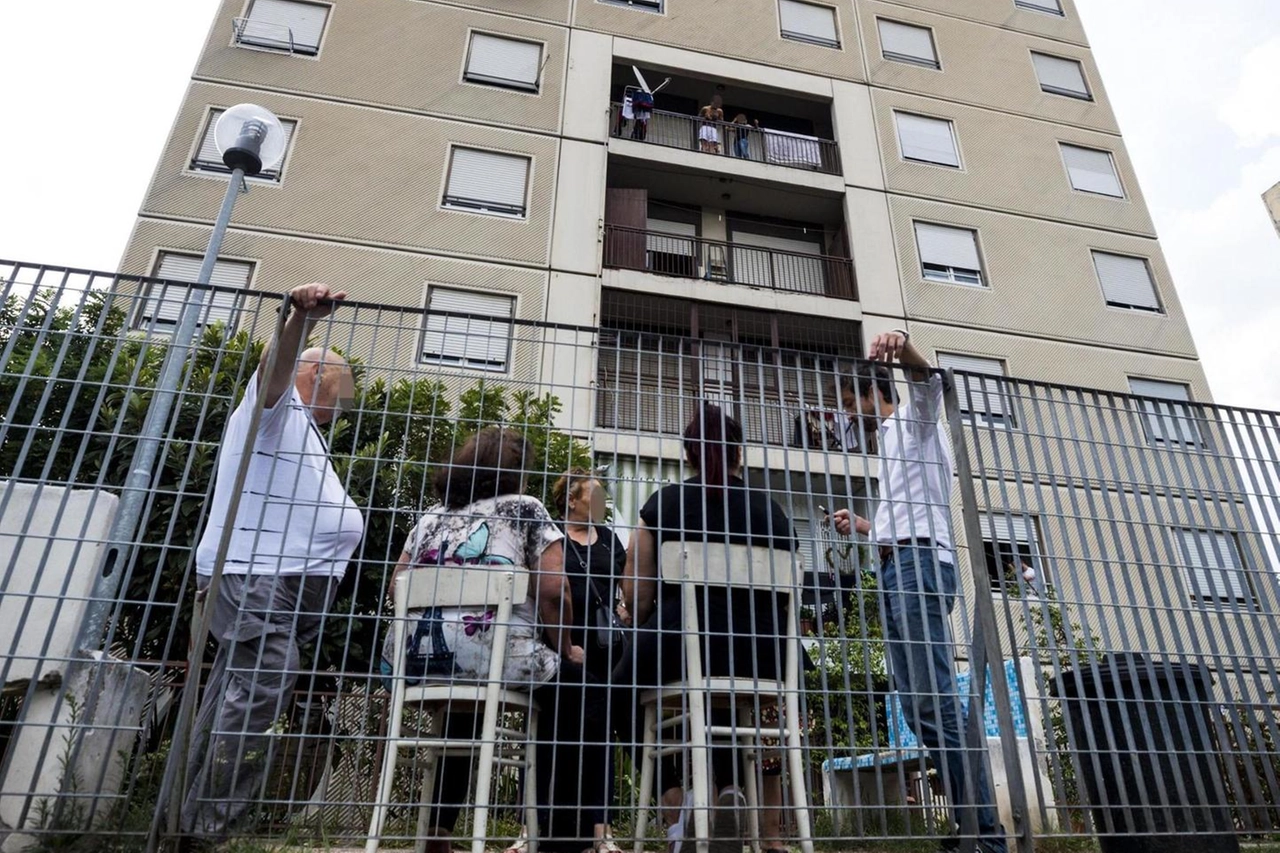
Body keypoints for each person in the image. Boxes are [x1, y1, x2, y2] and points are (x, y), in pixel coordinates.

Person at [181, 283, 364, 844]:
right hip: (254, 573)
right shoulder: (274, 413)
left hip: (281, 583)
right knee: (262, 685)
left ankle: (186, 823)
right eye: (347, 387)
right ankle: (213, 831)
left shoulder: (306, 435)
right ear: (317, 379)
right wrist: (300, 324)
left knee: (237, 692)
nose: (351, 401)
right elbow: (274, 373)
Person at [381, 427, 615, 853]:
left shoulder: (431, 519)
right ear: (514, 473)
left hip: (413, 660)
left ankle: (437, 832)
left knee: (464, 711)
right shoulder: (524, 508)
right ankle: (559, 837)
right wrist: (565, 648)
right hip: (493, 652)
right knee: (582, 688)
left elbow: (397, 587)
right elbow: (554, 592)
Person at [831, 331, 1008, 853]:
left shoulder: (912, 423)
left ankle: (984, 835)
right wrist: (866, 527)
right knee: (918, 709)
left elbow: (930, 384)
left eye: (848, 405)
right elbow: (909, 510)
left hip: (919, 565)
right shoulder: (889, 447)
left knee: (936, 702)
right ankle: (971, 828)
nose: (846, 418)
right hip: (896, 563)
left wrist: (902, 345)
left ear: (872, 392)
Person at [615, 404, 796, 853]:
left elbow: (635, 594)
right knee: (737, 704)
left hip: (682, 647)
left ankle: (678, 808)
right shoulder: (771, 511)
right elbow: (790, 594)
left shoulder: (664, 503)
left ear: (689, 455)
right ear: (739, 454)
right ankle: (741, 802)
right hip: (764, 656)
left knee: (616, 694)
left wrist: (641, 617)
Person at [503, 469, 628, 853]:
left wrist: (623, 609)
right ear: (571, 500)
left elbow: (626, 583)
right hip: (558, 645)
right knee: (545, 734)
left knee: (598, 734)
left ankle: (600, 832)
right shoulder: (551, 537)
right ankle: (532, 830)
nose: (602, 502)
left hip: (603, 648)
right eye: (595, 495)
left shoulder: (609, 539)